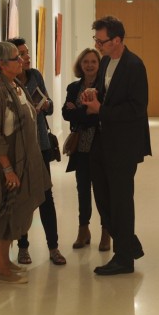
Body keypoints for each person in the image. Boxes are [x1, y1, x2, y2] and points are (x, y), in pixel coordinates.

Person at [82, 16, 151, 275]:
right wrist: (94, 95)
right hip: (103, 141)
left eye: (102, 41)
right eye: (96, 40)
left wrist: (102, 109)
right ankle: (129, 244)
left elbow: (137, 108)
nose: (97, 46)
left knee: (121, 200)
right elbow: (106, 94)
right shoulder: (106, 62)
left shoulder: (134, 66)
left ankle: (124, 258)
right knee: (102, 197)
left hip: (124, 144)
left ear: (117, 40)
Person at [0, 42, 52, 284]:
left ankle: (5, 263)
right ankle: (0, 269)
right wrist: (8, 169)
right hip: (4, 165)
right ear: (1, 64)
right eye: (16, 57)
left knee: (14, 213)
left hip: (22, 162)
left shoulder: (16, 85)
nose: (22, 61)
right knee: (0, 215)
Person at [9, 37, 66, 266]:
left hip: (40, 144)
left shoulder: (35, 76)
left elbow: (49, 105)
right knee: (23, 198)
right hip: (20, 147)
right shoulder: (8, 83)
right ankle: (23, 247)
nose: (27, 57)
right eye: (21, 54)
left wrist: (45, 105)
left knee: (45, 196)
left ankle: (53, 248)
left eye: (27, 53)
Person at [62, 48, 111, 251]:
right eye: (85, 62)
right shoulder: (74, 88)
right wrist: (87, 113)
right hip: (80, 147)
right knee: (82, 189)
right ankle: (83, 230)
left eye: (93, 62)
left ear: (99, 65)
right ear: (80, 65)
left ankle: (106, 231)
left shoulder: (105, 87)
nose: (89, 65)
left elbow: (101, 115)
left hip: (101, 147)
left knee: (102, 191)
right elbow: (66, 114)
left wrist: (80, 112)